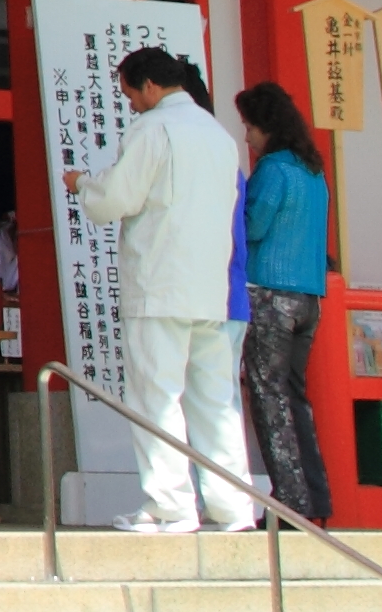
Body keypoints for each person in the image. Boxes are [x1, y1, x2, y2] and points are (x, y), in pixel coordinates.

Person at [67, 47, 247, 534]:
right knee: (215, 401)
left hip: (161, 282)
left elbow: (117, 199)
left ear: (149, 86)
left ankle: (170, 505)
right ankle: (233, 506)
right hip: (210, 287)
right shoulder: (219, 134)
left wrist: (82, 182)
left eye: (129, 94)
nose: (130, 105)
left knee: (158, 396)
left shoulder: (154, 129)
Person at [233, 79, 337, 525]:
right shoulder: (312, 172)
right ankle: (315, 498)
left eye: (249, 127)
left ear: (266, 128)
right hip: (309, 296)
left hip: (271, 293)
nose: (247, 137)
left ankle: (290, 502)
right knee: (295, 397)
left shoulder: (272, 170)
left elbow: (252, 228)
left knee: (267, 398)